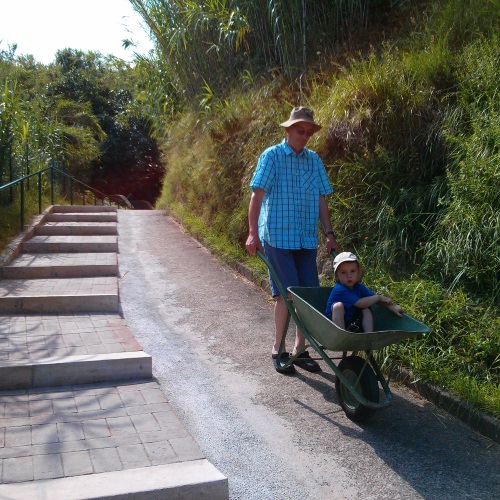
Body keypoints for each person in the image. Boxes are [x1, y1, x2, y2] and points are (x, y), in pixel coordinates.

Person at [245, 106, 340, 374]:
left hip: (306, 238)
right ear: (288, 129)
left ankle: (300, 349)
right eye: (301, 130)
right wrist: (253, 232)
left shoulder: (314, 161)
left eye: (309, 132)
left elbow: (321, 200)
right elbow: (257, 196)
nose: (305, 135)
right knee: (287, 295)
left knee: (307, 297)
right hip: (277, 236)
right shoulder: (272, 157)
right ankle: (278, 348)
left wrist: (329, 235)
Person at [324, 252, 403, 332]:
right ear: (337, 276)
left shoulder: (359, 287)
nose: (349, 275)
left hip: (350, 322)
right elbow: (361, 303)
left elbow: (376, 301)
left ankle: (368, 336)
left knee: (365, 309)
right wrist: (379, 297)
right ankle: (340, 336)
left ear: (358, 272)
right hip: (333, 325)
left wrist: (391, 307)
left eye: (352, 271)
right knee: (338, 306)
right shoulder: (340, 289)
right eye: (343, 272)